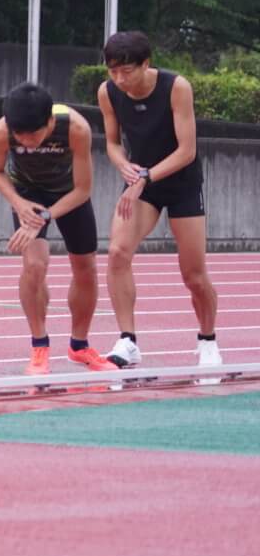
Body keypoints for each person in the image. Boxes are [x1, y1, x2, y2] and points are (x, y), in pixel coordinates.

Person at [95, 31, 220, 370]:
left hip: (180, 182)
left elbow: (187, 151)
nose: (119, 79)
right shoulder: (107, 92)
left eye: (127, 71)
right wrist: (123, 165)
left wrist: (146, 175)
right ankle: (128, 341)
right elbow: (112, 143)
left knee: (193, 274)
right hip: (142, 185)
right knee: (118, 253)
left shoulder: (176, 87)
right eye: (113, 71)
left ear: (146, 64)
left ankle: (207, 340)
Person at [0, 83, 112, 373]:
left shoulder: (75, 129)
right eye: (20, 136)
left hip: (68, 194)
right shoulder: (1, 132)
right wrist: (18, 203)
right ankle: (39, 345)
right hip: (27, 193)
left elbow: (82, 190)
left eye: (34, 135)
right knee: (34, 265)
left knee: (85, 267)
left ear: (50, 122)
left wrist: (45, 217)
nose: (27, 142)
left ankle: (79, 346)